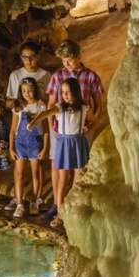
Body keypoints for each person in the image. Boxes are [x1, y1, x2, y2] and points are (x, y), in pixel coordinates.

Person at [43, 39, 104, 220]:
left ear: (78, 56)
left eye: (69, 60)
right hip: (59, 129)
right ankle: (57, 204)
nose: (66, 64)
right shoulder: (57, 76)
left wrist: (91, 126)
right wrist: (52, 128)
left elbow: (97, 104)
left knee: (79, 166)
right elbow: (51, 104)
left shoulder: (91, 77)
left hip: (82, 129)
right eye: (63, 61)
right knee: (58, 165)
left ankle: (74, 204)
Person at [27, 78, 96, 227]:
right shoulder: (60, 108)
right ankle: (59, 214)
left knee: (78, 179)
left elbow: (94, 121)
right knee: (62, 181)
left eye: (68, 92)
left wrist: (87, 131)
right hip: (64, 144)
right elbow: (45, 114)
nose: (64, 95)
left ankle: (75, 211)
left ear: (76, 92)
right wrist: (33, 122)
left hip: (78, 143)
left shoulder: (84, 108)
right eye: (62, 92)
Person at [5, 41, 51, 212]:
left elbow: (51, 103)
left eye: (32, 57)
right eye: (24, 57)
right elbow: (8, 101)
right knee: (19, 170)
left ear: (38, 56)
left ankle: (35, 199)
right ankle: (19, 201)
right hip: (21, 134)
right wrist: (19, 103)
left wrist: (43, 104)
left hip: (39, 127)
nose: (28, 60)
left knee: (37, 168)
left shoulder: (46, 76)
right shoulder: (15, 76)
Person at [9, 77, 49, 218]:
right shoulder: (18, 107)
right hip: (20, 143)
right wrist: (11, 148)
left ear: (35, 91)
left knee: (35, 173)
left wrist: (44, 148)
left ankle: (34, 201)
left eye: (30, 91)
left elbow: (44, 129)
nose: (27, 93)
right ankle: (20, 204)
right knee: (19, 173)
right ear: (20, 91)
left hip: (35, 143)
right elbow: (13, 129)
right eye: (24, 91)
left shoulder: (40, 107)